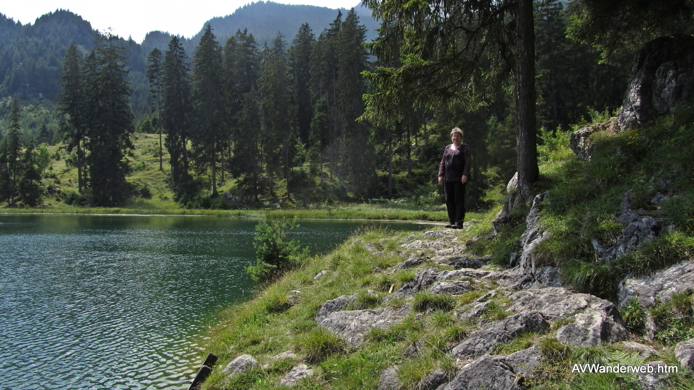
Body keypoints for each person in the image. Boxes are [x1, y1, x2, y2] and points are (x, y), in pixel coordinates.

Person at [438, 127, 471, 229]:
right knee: (449, 199)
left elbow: (468, 162)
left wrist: (465, 174)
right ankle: (451, 220)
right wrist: (441, 174)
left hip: (459, 178)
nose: (455, 137)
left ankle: (459, 221)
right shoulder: (447, 148)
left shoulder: (464, 147)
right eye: (453, 135)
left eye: (457, 135)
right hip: (448, 178)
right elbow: (443, 162)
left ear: (461, 137)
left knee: (458, 199)